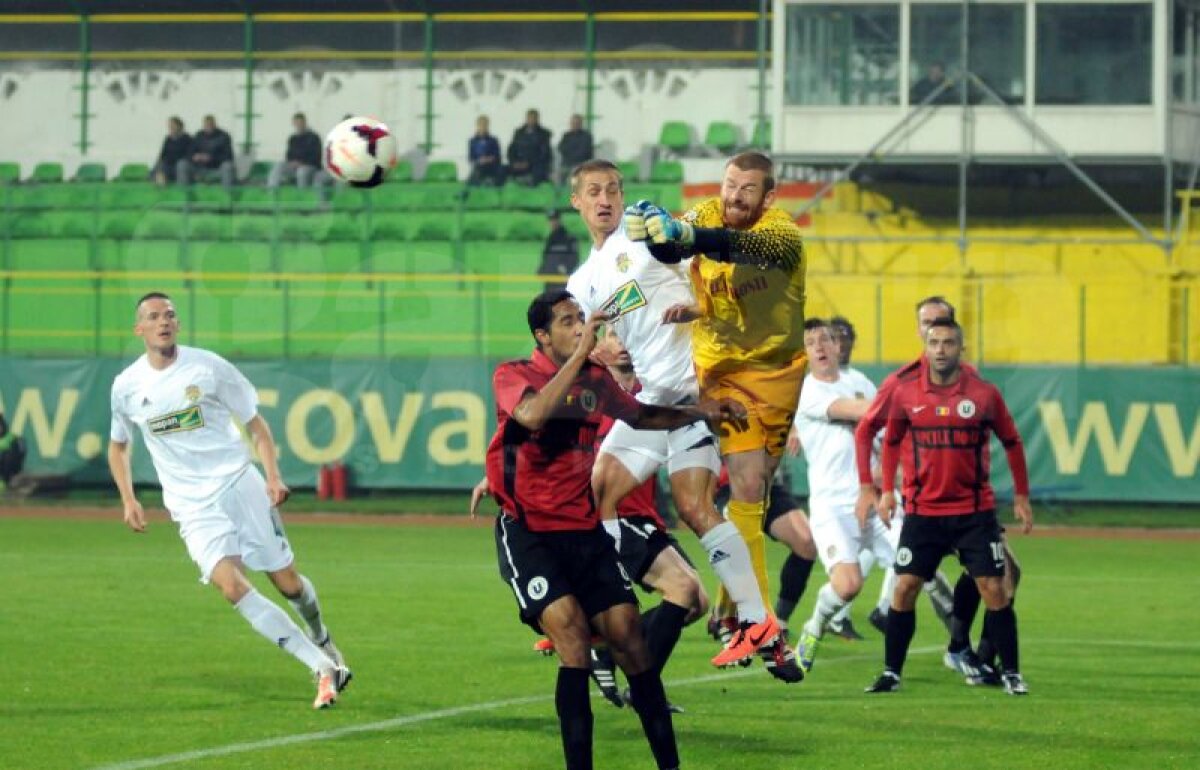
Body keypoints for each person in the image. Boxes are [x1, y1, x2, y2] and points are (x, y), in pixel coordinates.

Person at [480, 288, 743, 770]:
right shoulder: (513, 374)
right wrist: (581, 355)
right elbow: (532, 415)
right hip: (530, 533)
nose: (580, 326)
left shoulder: (596, 380)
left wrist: (702, 411)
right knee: (572, 638)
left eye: (581, 318)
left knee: (631, 641)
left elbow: (640, 415)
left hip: (584, 532)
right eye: (567, 321)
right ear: (542, 336)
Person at [566, 159, 798, 681]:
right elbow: (583, 340)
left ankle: (754, 623)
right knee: (617, 496)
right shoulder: (583, 280)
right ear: (576, 202)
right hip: (656, 401)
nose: (605, 199)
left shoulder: (643, 237)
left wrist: (699, 306)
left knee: (672, 503)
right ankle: (611, 609)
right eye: (594, 192)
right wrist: (601, 348)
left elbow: (716, 269)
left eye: (613, 190)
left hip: (695, 389)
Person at [107, 292, 350, 710]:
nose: (163, 321)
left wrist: (272, 476)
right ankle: (321, 667)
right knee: (231, 586)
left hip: (238, 483)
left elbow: (256, 426)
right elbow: (118, 446)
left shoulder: (208, 367)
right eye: (154, 316)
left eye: (170, 315)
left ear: (178, 324)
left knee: (288, 584)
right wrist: (128, 498)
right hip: (191, 506)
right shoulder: (126, 386)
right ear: (139, 328)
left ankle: (321, 637)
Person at [628, 151, 808, 671]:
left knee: (756, 493)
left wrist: (687, 239)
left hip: (778, 372)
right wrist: (653, 230)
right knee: (747, 485)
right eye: (730, 184)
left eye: (747, 188)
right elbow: (671, 246)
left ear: (768, 197)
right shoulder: (705, 212)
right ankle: (758, 623)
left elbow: (738, 247)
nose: (734, 195)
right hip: (721, 373)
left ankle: (733, 614)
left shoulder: (782, 235)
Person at [471, 325, 708, 712]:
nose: (623, 344)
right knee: (682, 590)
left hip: (645, 515)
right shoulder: (583, 395)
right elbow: (536, 443)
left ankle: (606, 648)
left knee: (697, 602)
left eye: (628, 336)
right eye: (613, 335)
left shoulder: (641, 395)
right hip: (609, 517)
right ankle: (642, 689)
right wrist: (493, 477)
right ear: (595, 347)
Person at [865, 317, 1033, 696]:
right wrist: (888, 491)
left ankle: (1011, 673)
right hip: (923, 513)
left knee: (994, 587)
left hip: (974, 513)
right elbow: (890, 442)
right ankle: (891, 673)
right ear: (925, 348)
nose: (941, 350)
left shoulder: (984, 394)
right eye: (934, 342)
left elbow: (1012, 441)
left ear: (961, 348)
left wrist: (1021, 496)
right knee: (904, 588)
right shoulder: (906, 393)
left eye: (948, 343)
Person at [788, 319, 894, 674]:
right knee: (848, 586)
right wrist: (909, 401)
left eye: (826, 339)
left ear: (838, 346)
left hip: (875, 497)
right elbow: (864, 412)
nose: (819, 346)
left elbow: (885, 433)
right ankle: (815, 626)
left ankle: (960, 648)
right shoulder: (807, 391)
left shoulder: (861, 383)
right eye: (811, 342)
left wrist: (887, 474)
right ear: (805, 353)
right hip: (833, 505)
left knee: (918, 567)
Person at [268, 112, 327, 189]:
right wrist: (292, 162)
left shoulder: (314, 137)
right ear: (293, 124)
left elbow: (316, 156)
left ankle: (302, 193)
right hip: (294, 166)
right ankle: (272, 190)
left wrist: (302, 163)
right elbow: (288, 155)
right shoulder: (292, 138)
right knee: (279, 166)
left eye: (300, 123)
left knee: (301, 172)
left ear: (305, 122)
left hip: (310, 166)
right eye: (297, 123)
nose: (299, 125)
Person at [178, 115, 235, 190]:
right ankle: (184, 192)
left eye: (210, 125)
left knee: (227, 166)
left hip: (217, 169)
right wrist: (194, 157)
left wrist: (211, 158)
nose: (208, 127)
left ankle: (227, 193)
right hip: (199, 168)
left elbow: (228, 156)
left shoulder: (223, 136)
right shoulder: (198, 136)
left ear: (215, 124)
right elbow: (189, 152)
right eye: (206, 125)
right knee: (182, 164)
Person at [507, 109, 552, 186]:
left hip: (535, 164)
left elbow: (544, 154)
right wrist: (514, 162)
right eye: (530, 118)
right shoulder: (518, 133)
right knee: (502, 169)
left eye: (533, 118)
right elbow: (511, 149)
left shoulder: (544, 134)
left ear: (537, 119)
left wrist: (529, 163)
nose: (531, 120)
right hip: (518, 163)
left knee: (540, 171)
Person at [537, 210, 579, 289]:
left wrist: (566, 268)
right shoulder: (549, 239)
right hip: (550, 279)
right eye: (550, 220)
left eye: (554, 219)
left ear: (560, 220)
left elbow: (574, 258)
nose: (552, 222)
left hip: (564, 279)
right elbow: (546, 257)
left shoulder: (569, 238)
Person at [152, 116, 192, 186]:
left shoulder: (187, 139)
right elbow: (163, 154)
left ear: (179, 126)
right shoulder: (168, 139)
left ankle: (182, 188)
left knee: (181, 165)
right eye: (170, 126)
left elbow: (189, 155)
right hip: (168, 165)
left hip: (181, 165)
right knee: (160, 166)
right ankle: (161, 187)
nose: (171, 128)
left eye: (173, 125)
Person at [557, 114, 594, 185]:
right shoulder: (566, 135)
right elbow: (561, 148)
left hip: (581, 164)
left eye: (577, 123)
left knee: (573, 178)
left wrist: (570, 153)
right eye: (573, 123)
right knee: (558, 177)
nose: (574, 125)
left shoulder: (586, 136)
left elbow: (583, 151)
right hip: (566, 163)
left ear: (581, 124)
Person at [467, 115, 504, 187]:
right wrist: (479, 160)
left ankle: (491, 182)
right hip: (479, 166)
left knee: (502, 170)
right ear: (477, 126)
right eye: (481, 125)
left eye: (485, 125)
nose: (483, 127)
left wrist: (490, 159)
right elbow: (471, 158)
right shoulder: (472, 141)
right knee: (475, 173)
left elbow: (498, 156)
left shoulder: (493, 140)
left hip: (492, 166)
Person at [0, 410, 26, 490]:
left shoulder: (12, 438)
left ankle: (4, 482)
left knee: (8, 454)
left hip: (8, 474)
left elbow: (21, 451)